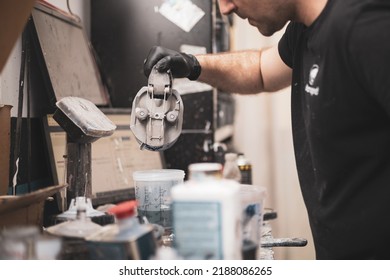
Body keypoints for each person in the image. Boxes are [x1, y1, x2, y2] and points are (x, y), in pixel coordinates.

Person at [143, 0, 390, 260]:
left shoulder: (367, 27)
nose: (225, 8)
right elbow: (261, 70)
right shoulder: (303, 30)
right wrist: (193, 65)